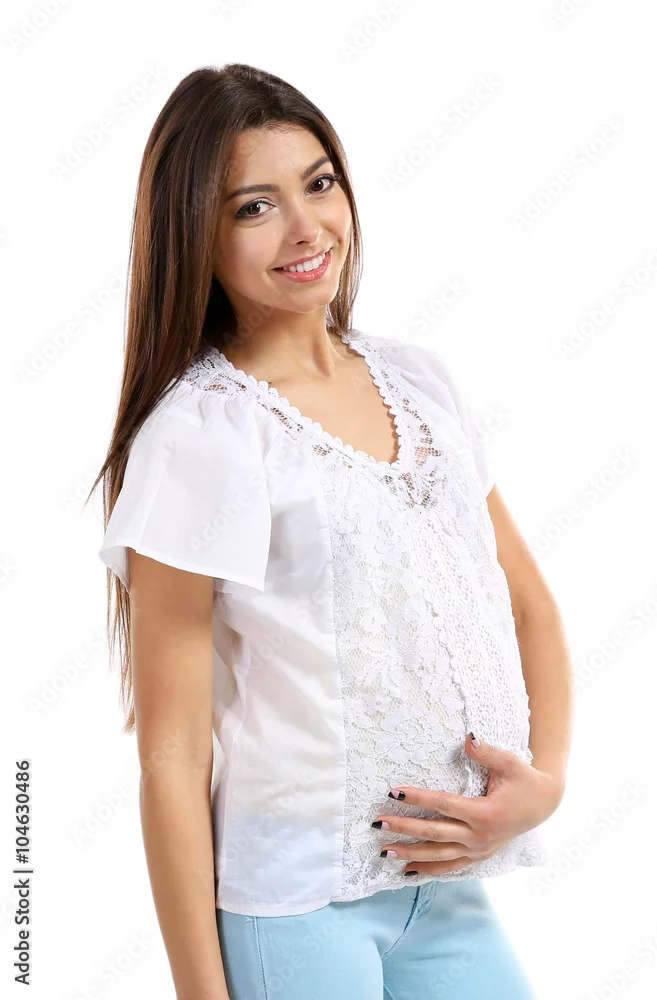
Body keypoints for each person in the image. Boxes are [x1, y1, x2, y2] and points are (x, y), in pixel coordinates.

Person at [90, 63, 573, 1000]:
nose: (307, 227)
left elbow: (530, 608)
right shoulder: (204, 434)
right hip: (295, 906)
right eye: (254, 207)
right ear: (196, 234)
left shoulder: (421, 383)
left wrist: (544, 785)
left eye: (318, 183)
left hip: (447, 892)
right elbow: (172, 756)